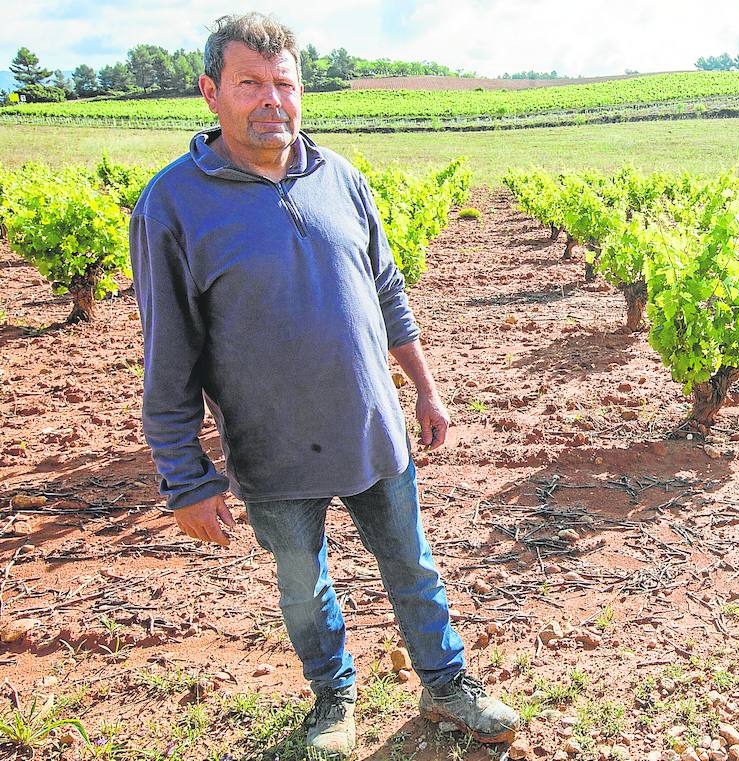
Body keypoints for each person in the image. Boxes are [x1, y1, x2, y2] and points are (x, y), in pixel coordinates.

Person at [128, 12, 519, 754]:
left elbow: (386, 291)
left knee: (413, 563)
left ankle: (446, 684)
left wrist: (425, 390)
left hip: (372, 429)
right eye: (250, 83)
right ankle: (334, 701)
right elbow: (168, 353)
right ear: (211, 92)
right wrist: (184, 477)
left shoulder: (340, 176)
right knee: (304, 590)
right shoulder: (173, 204)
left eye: (285, 83)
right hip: (272, 448)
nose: (271, 98)